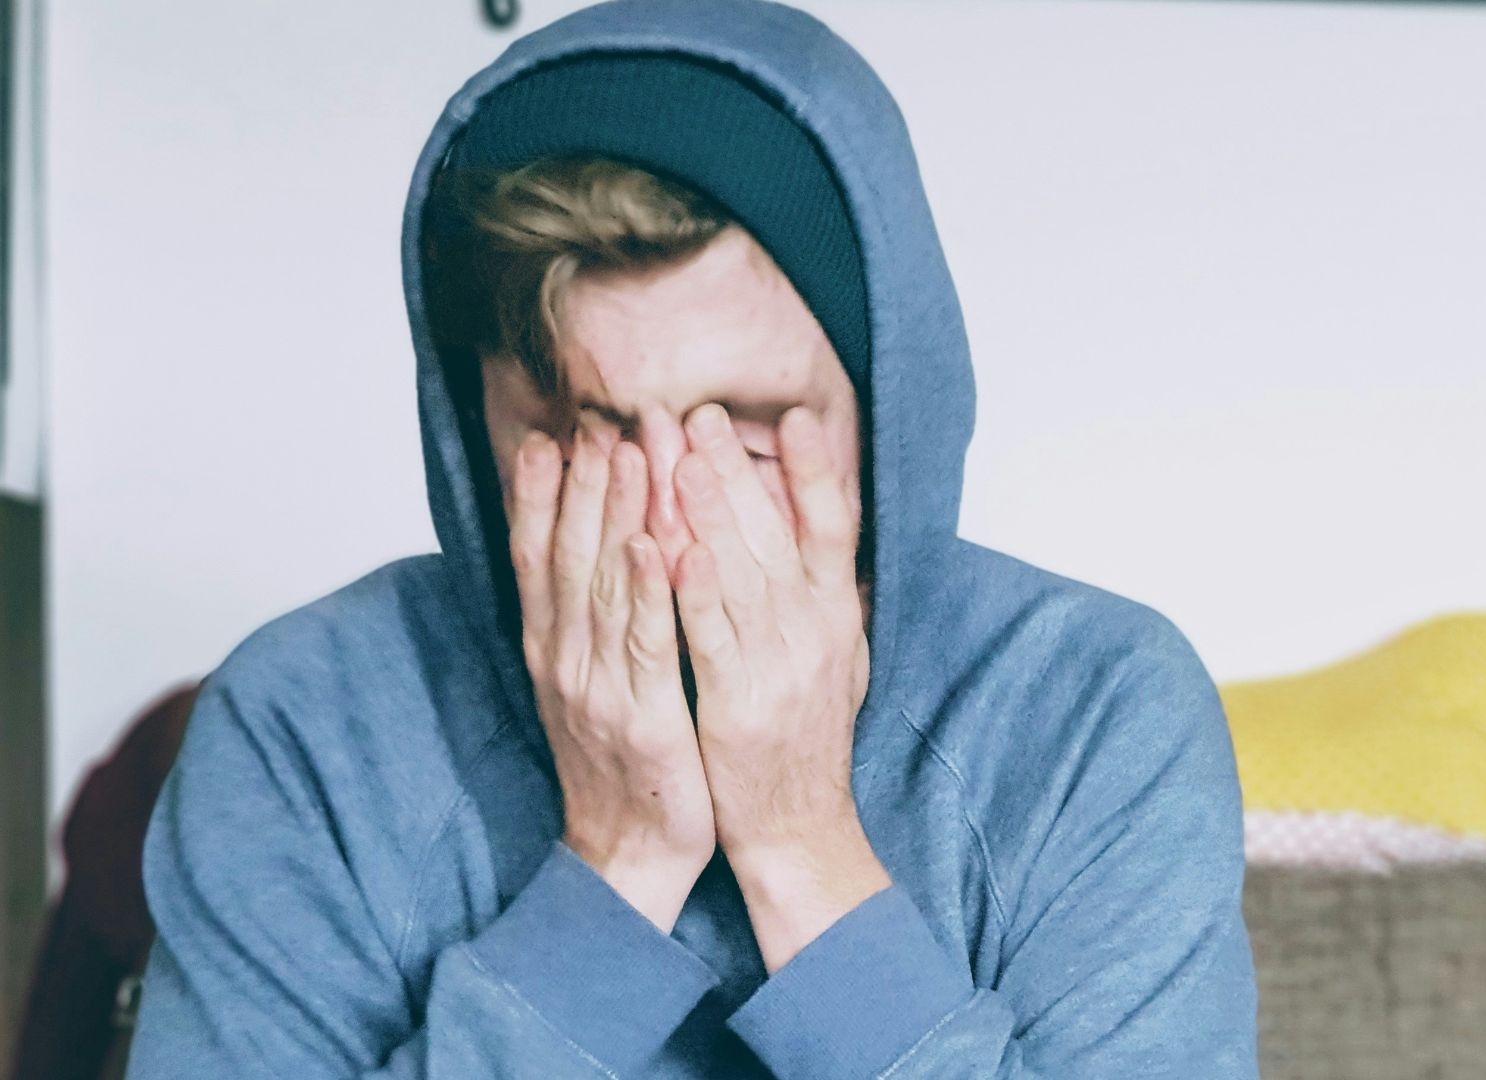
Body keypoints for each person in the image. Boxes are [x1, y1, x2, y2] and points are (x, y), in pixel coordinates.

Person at [123, 1, 1259, 1076]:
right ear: (477, 435)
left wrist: (800, 845)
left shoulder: (1097, 710)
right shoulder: (305, 724)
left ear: (886, 409)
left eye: (749, 437)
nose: (668, 524)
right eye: (586, 435)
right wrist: (617, 869)